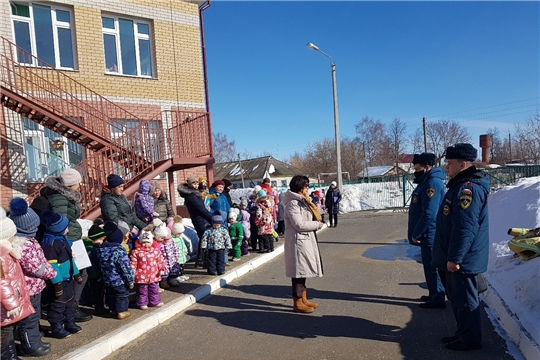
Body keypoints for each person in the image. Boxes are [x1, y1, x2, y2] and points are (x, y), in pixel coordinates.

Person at [432, 143, 489, 351]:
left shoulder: (469, 189)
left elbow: (465, 227)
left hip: (463, 259)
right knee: (458, 299)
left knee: (465, 300)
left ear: (462, 164)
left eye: (450, 163)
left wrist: (455, 258)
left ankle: (470, 338)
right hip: (457, 255)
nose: (447, 167)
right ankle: (463, 332)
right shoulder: (459, 185)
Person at [42, 168, 92, 323]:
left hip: (72, 238)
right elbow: (60, 222)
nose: (80, 184)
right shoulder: (60, 198)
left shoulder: (64, 196)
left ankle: (70, 306)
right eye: (78, 182)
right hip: (68, 241)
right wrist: (66, 243)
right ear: (70, 185)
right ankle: (71, 306)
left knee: (79, 273)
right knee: (77, 274)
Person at [8, 198, 56, 356]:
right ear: (28, 228)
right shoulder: (24, 245)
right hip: (29, 288)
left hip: (33, 287)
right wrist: (51, 272)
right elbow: (35, 267)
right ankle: (31, 346)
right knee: (30, 318)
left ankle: (33, 341)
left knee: (32, 316)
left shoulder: (28, 241)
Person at [407, 153, 446, 309]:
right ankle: (433, 293)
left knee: (433, 267)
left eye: (417, 168)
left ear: (427, 167)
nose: (415, 171)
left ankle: (438, 297)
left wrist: (417, 232)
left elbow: (430, 212)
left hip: (431, 232)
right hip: (426, 233)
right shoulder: (425, 182)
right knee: (428, 266)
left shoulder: (432, 183)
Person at [283, 175, 324, 313]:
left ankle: (303, 299)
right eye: (306, 186)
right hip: (297, 241)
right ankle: (297, 302)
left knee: (303, 271)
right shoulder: (293, 203)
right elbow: (298, 224)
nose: (308, 188)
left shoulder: (302, 201)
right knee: (298, 272)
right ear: (300, 187)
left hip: (303, 240)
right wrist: (316, 224)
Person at [40, 210, 83, 338]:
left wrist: (76, 273)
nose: (68, 229)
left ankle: (69, 322)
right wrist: (57, 282)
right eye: (66, 227)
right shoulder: (50, 244)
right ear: (58, 229)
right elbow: (52, 266)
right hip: (59, 281)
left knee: (69, 301)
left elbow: (70, 259)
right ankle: (56, 326)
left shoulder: (62, 240)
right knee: (58, 303)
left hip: (68, 277)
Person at [0, 207, 36, 359]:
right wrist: (11, 304)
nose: (14, 238)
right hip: (5, 308)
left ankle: (11, 355)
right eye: (11, 236)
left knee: (8, 334)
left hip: (8, 306)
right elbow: (2, 283)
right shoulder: (1, 257)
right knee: (5, 337)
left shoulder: (6, 253)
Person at [92, 222, 135, 320]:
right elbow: (125, 267)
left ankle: (113, 309)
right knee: (121, 295)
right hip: (119, 280)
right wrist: (131, 279)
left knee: (111, 295)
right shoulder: (119, 251)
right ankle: (122, 311)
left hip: (107, 279)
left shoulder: (100, 250)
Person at [178, 177, 213, 268]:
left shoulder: (195, 194)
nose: (196, 185)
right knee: (204, 240)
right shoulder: (191, 196)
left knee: (204, 240)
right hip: (199, 220)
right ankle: (204, 262)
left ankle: (203, 262)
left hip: (202, 219)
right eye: (194, 184)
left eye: (197, 183)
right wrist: (211, 217)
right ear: (189, 185)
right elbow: (201, 209)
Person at [130, 230, 166, 309]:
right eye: (144, 242)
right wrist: (132, 270)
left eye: (148, 242)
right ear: (140, 242)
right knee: (142, 290)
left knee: (154, 290)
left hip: (154, 275)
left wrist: (162, 268)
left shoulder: (155, 251)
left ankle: (155, 301)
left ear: (152, 242)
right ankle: (142, 303)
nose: (146, 244)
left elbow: (160, 261)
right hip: (141, 276)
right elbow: (133, 262)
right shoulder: (136, 252)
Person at [153, 220, 181, 288]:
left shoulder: (171, 242)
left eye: (168, 239)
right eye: (164, 239)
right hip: (164, 261)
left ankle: (172, 279)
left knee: (174, 270)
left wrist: (176, 254)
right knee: (164, 272)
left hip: (172, 259)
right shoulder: (159, 244)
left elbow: (175, 247)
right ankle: (164, 281)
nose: (166, 241)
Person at [168, 216, 190, 282]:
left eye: (180, 233)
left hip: (182, 254)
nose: (179, 235)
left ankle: (182, 274)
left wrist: (185, 250)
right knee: (177, 266)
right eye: (178, 233)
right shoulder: (172, 239)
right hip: (177, 255)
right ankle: (177, 275)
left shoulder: (180, 237)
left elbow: (183, 244)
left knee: (182, 265)